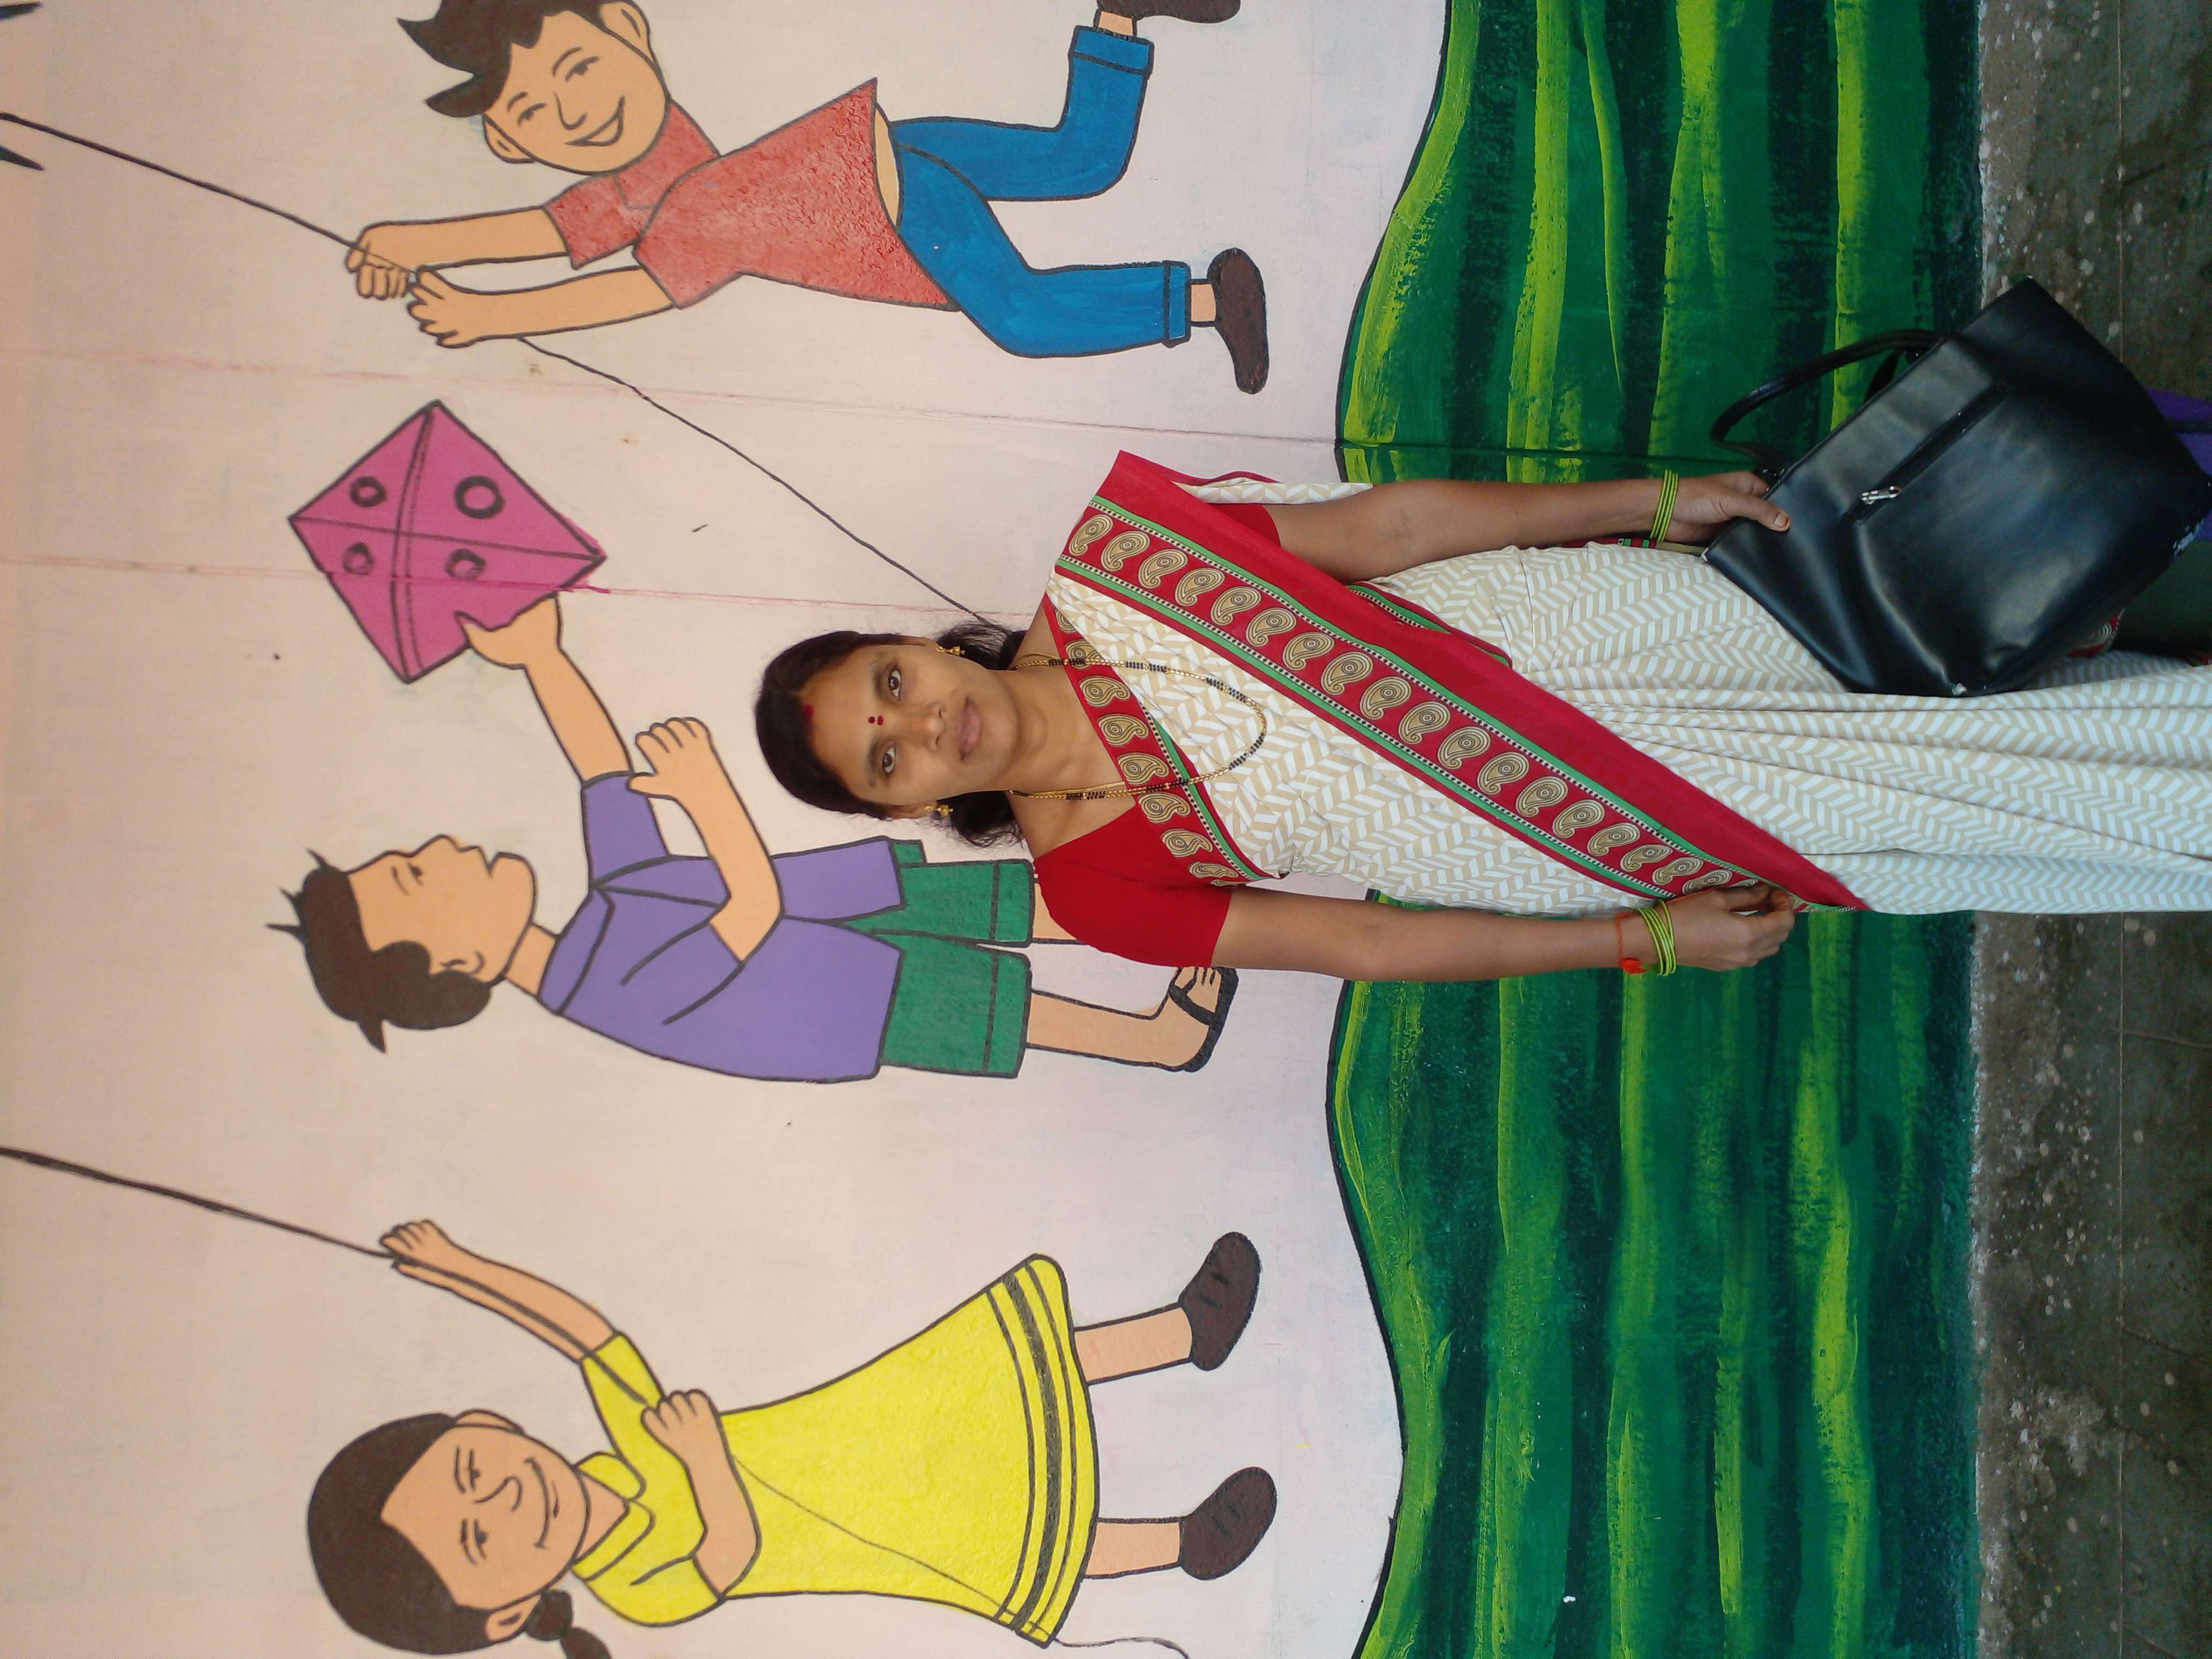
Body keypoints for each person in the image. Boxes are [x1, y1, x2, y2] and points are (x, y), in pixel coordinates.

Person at [753, 453, 2212, 979]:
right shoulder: (1093, 889)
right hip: (1573, 830)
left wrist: (1644, 502)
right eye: (884, 764)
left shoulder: (1120, 562)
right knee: (1936, 800)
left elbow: (1388, 528)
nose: (920, 727)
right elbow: (1369, 944)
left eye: (891, 684)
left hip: (1597, 635)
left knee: (1925, 647)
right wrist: (1638, 939)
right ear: (905, 809)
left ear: (913, 643)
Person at [277, 595, 1236, 1079]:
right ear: (453, 962)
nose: (439, 854)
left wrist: (541, 658)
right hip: (853, 1001)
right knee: (984, 1004)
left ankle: (1158, 910)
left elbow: (602, 772)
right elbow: (747, 914)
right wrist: (708, 799)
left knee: (993, 901)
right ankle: (1152, 1041)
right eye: (415, 879)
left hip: (843, 906)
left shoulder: (606, 908)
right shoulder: (600, 987)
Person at [310, 1220, 1274, 1655]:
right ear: (505, 1617)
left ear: (486, 1425)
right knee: (1009, 1538)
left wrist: (462, 1268)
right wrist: (703, 1462)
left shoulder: (624, 1450)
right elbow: (728, 1555)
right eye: (478, 1539)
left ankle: (1183, 1334)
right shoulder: (630, 1587)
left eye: (472, 1470)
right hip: (871, 1529)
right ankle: (1183, 1545)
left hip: (860, 1429)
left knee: (994, 1379)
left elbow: (586, 1337)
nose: (503, 1498)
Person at [349, 0, 1271, 391]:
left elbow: (624, 290)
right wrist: (414, 242)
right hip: (895, 145)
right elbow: (550, 229)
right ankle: (1120, 12)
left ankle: (1204, 300)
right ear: (510, 142)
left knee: (1024, 317)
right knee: (1078, 160)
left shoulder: (697, 218)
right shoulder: (651, 173)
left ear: (628, 26)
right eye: (536, 113)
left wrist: (493, 316)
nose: (576, 111)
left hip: (899, 209)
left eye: (580, 70)